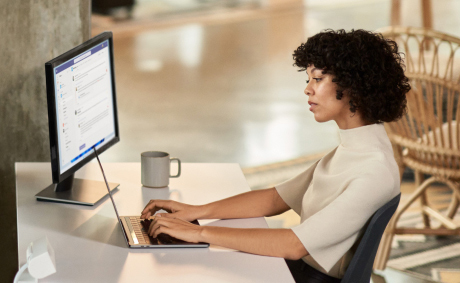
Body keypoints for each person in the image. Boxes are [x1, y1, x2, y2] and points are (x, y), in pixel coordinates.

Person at [141, 29, 410, 283]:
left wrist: (198, 232)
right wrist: (196, 212)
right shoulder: (356, 147)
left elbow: (293, 244)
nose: (308, 89)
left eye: (317, 79)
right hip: (299, 270)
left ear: (354, 85)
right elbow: (275, 198)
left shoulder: (374, 170)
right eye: (309, 79)